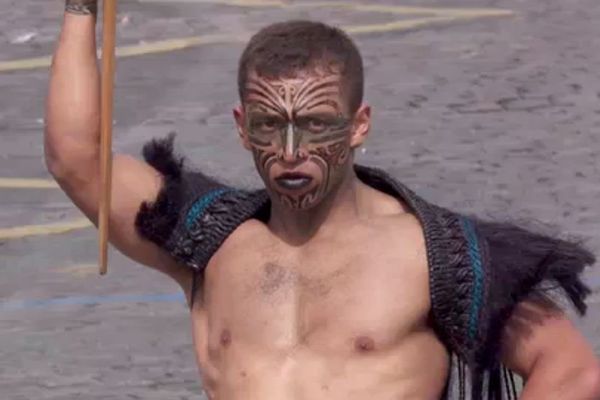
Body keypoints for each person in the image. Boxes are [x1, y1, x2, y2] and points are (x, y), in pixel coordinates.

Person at [45, 1, 600, 399]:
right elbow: (76, 158)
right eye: (269, 126)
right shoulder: (208, 239)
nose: (291, 151)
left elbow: (571, 371)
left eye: (315, 125)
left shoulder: (435, 256)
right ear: (241, 126)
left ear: (360, 125)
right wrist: (80, 7)